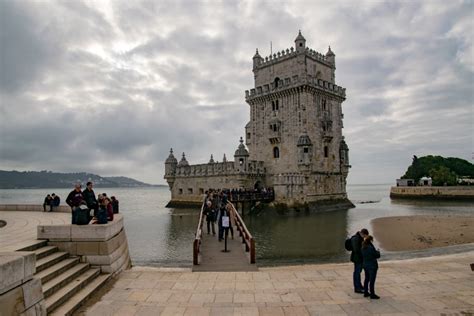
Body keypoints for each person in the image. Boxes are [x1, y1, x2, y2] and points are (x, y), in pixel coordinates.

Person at [350, 228, 369, 294]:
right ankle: (357, 288)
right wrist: (363, 252)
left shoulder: (359, 238)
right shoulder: (356, 238)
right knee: (357, 273)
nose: (365, 237)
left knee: (358, 272)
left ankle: (359, 286)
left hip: (358, 258)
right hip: (357, 259)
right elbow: (356, 250)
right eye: (365, 236)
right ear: (363, 234)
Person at [362, 235, 381, 299]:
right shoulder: (370, 247)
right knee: (372, 280)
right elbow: (376, 255)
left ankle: (365, 292)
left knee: (366, 279)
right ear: (370, 240)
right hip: (372, 266)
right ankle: (372, 294)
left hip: (365, 265)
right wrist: (378, 252)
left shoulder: (363, 247)